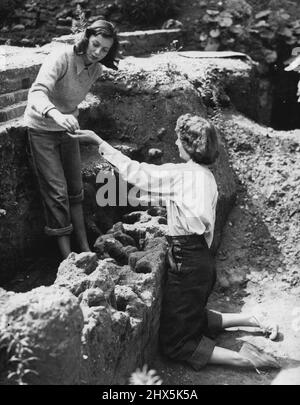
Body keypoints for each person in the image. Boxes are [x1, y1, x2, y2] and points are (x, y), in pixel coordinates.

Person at [68, 114, 280, 371]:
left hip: (187, 260)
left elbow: (136, 172)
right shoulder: (207, 177)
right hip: (201, 258)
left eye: (179, 140)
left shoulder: (180, 175)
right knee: (190, 316)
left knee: (176, 342)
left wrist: (100, 142)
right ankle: (252, 319)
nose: (176, 144)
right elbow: (196, 221)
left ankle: (246, 360)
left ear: (189, 146)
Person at [24, 19, 119, 259]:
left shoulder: (96, 68)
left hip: (68, 131)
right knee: (57, 192)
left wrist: (66, 118)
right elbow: (36, 92)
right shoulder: (61, 57)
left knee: (76, 190)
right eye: (95, 44)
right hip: (43, 128)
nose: (97, 52)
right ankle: (68, 259)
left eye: (105, 49)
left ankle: (85, 249)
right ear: (86, 38)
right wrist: (56, 114)